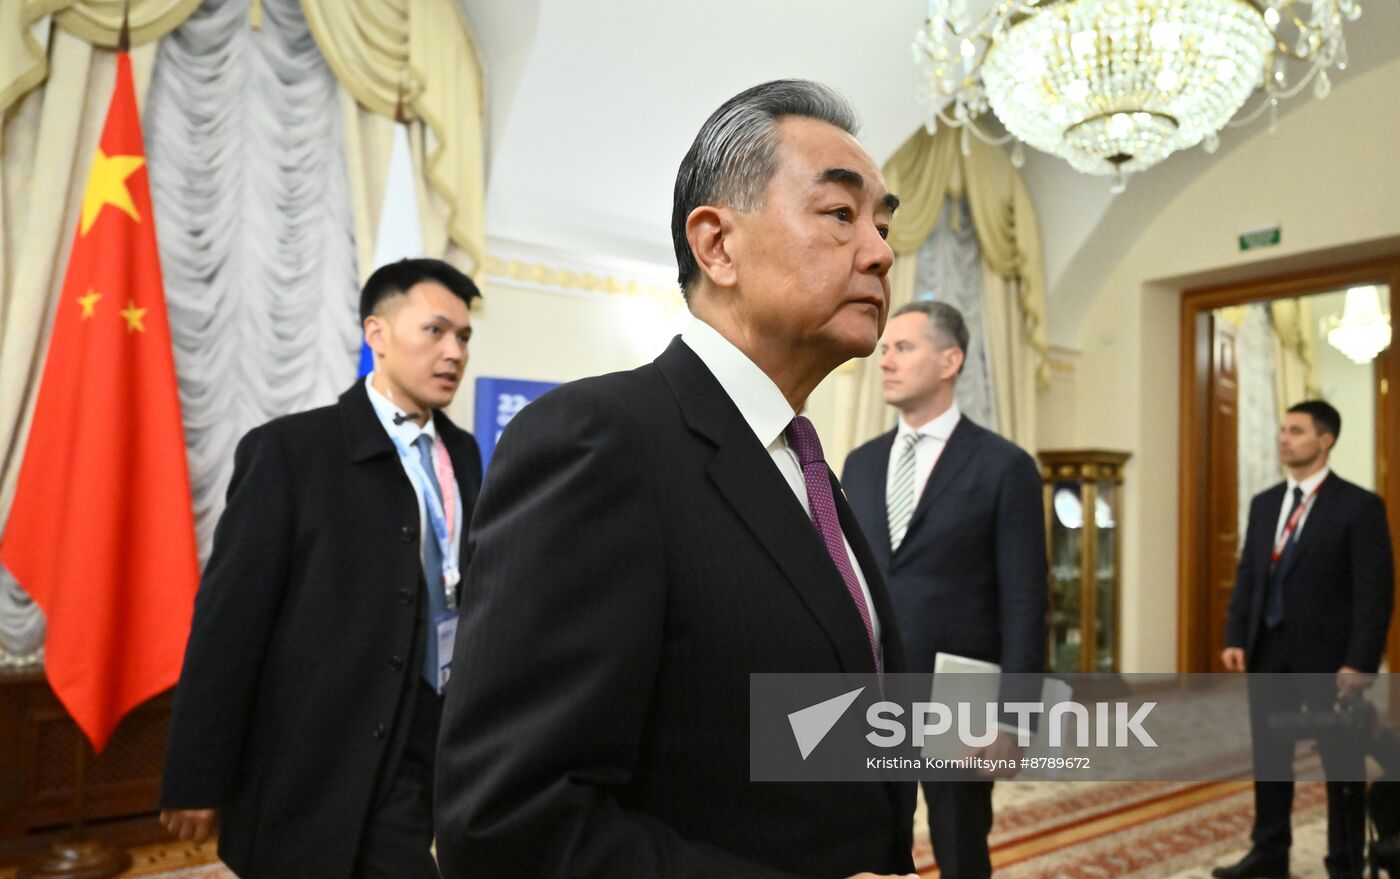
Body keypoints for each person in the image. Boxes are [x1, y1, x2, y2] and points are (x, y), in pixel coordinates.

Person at [433, 80, 917, 879]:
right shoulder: (598, 442)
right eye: (840, 214)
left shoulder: (804, 465)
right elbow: (507, 826)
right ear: (716, 245)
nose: (880, 250)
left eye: (884, 223)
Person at [159, 258, 483, 879]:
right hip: (310, 753)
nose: (454, 352)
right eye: (434, 331)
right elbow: (230, 622)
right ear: (377, 334)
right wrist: (196, 772)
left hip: (421, 744)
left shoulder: (464, 454)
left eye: (464, 337)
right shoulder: (291, 451)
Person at [841, 300, 1047, 879]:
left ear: (950, 360)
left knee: (958, 843)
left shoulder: (1004, 467)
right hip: (874, 686)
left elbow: (1026, 601)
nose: (886, 361)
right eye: (885, 349)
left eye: (903, 348)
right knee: (875, 837)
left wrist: (1015, 718)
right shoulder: (859, 463)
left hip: (963, 690)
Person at [1214, 400, 1393, 879]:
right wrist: (1236, 635)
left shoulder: (1358, 506)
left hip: (1330, 662)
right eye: (1282, 430)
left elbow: (1374, 595)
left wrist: (1358, 663)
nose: (1284, 438)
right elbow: (1250, 574)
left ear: (1325, 439)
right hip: (1268, 654)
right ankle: (1268, 854)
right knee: (1270, 760)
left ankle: (1344, 863)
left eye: (1296, 431)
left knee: (1341, 767)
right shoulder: (1266, 502)